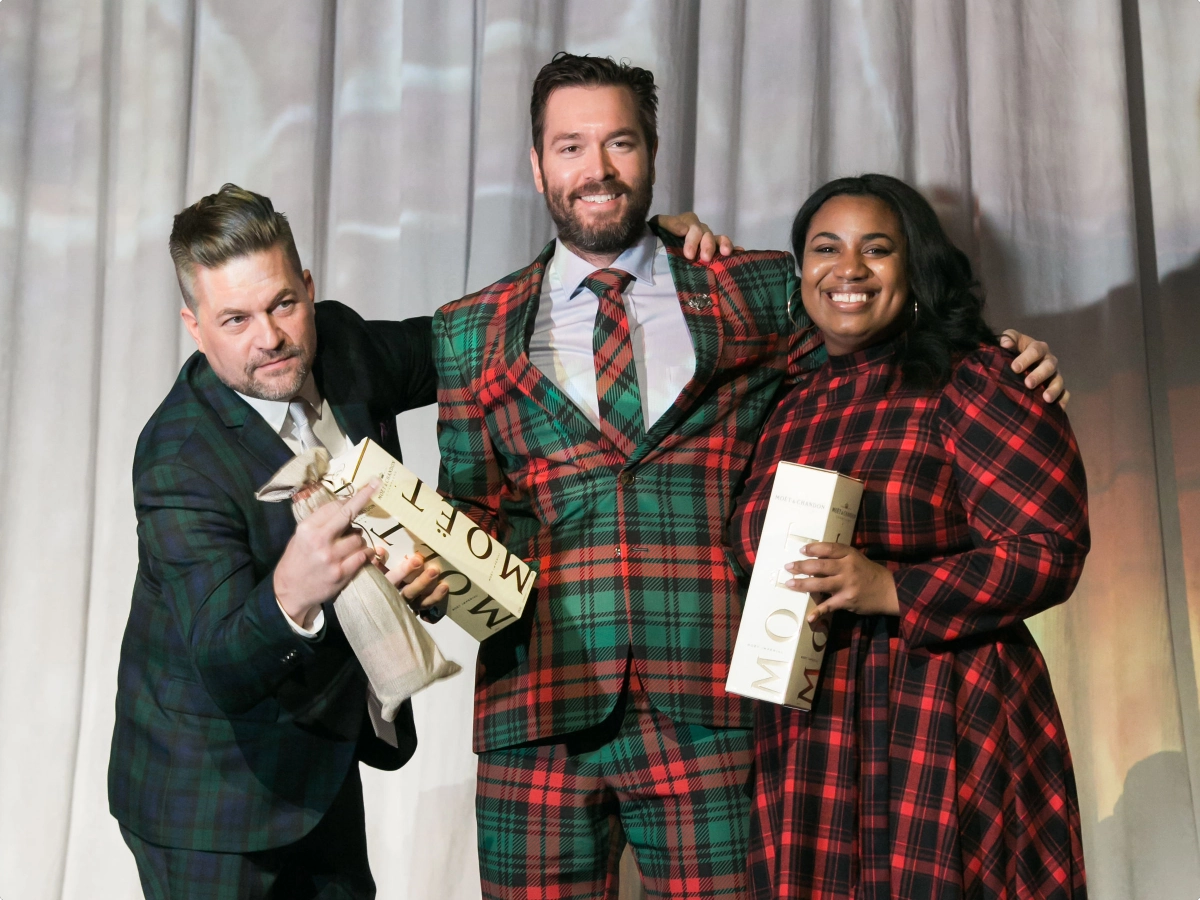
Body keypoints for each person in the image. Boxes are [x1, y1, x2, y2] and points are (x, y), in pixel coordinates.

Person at [422, 53, 1066, 899]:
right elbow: (471, 504)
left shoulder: (756, 289)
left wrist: (1003, 351)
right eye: (570, 146)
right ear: (538, 165)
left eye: (620, 142)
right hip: (536, 709)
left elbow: (871, 342)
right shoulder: (469, 328)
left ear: (652, 152)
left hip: (714, 708)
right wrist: (432, 573)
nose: (597, 169)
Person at [108, 182, 737, 899]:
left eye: (283, 304)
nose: (271, 337)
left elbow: (476, 336)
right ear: (195, 327)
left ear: (308, 287)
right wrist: (291, 594)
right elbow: (223, 661)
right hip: (204, 798)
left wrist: (627, 251)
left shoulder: (342, 347)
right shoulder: (178, 460)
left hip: (321, 766)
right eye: (235, 320)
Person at [729, 174, 1089, 899]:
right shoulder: (784, 404)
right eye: (826, 248)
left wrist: (893, 588)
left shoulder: (977, 378)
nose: (849, 269)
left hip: (942, 705)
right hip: (811, 722)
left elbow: (1050, 548)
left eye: (877, 249)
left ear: (914, 267)